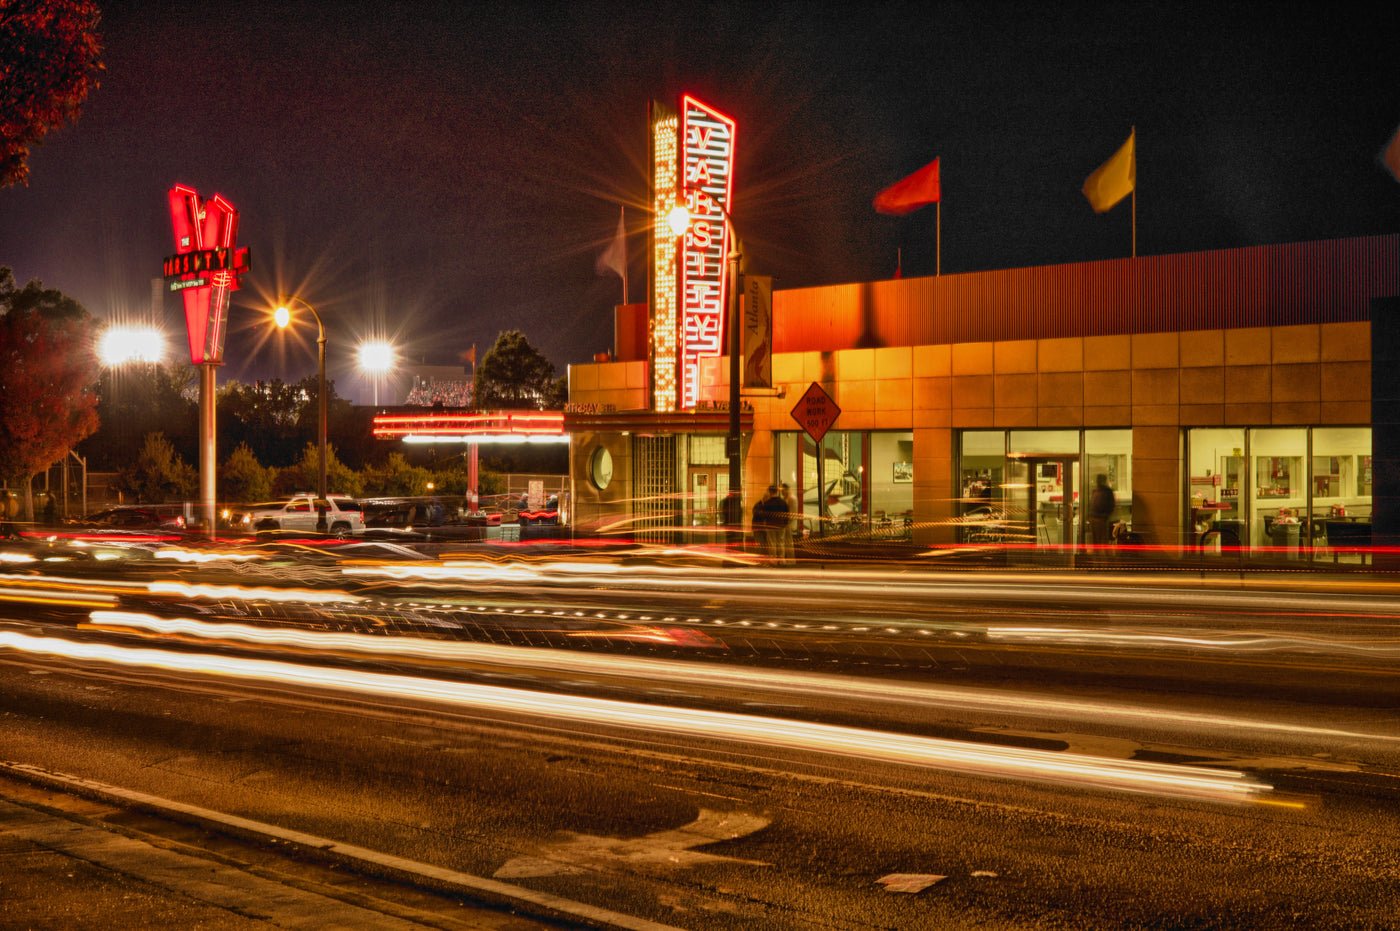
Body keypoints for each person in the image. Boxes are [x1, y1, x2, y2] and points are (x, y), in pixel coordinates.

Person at [759, 485, 789, 564]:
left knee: (772, 542)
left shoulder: (767, 503)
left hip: (770, 525)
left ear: (770, 492)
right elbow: (787, 514)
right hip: (781, 525)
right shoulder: (783, 502)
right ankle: (781, 559)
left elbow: (763, 515)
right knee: (781, 542)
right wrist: (785, 523)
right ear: (777, 491)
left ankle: (773, 559)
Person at [1089, 473, 1116, 546]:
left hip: (1098, 518)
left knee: (1099, 540)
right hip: (1099, 518)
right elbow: (1112, 505)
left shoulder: (1097, 491)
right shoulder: (1105, 491)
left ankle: (1099, 555)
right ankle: (1100, 554)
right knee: (1100, 540)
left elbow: (1092, 504)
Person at [779, 483, 799, 565]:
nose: (782, 492)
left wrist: (787, 522)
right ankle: (789, 559)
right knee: (786, 541)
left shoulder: (791, 498)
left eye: (783, 491)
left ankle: (791, 559)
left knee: (788, 541)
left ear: (786, 490)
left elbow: (792, 513)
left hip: (788, 523)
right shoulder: (787, 498)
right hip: (786, 523)